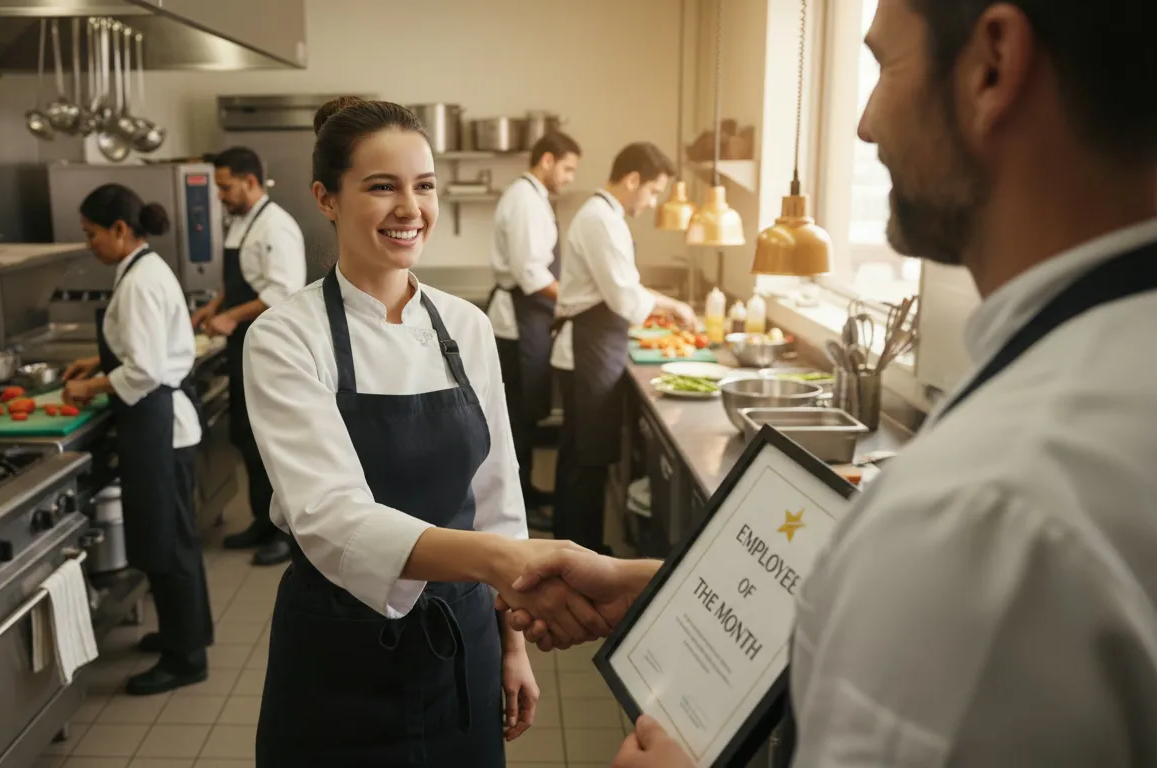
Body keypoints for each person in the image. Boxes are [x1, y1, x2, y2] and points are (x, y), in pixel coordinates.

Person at [504, 0, 1157, 764]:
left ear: (993, 65)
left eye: (883, 64)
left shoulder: (982, 510)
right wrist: (659, 584)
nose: (865, 124)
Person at [242, 96, 612, 765]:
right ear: (326, 198)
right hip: (337, 649)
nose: (410, 208)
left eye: (424, 186)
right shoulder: (285, 337)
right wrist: (499, 563)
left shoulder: (466, 326)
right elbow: (329, 515)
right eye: (382, 187)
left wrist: (513, 644)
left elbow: (498, 495)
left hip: (463, 638)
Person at [62, 184, 214, 696]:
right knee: (173, 538)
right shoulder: (141, 270)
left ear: (120, 230)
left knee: (168, 543)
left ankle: (186, 658)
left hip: (159, 424)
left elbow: (145, 369)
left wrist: (89, 387)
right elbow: (144, 349)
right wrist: (98, 362)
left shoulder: (140, 282)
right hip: (157, 420)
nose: (90, 244)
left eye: (92, 234)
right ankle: (185, 635)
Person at [549, 142, 696, 555]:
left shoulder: (604, 216)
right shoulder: (600, 219)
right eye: (653, 192)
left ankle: (574, 549)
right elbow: (625, 297)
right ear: (632, 180)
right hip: (587, 350)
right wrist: (674, 306)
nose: (652, 203)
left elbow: (624, 289)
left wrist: (666, 305)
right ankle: (581, 555)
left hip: (594, 347)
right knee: (586, 461)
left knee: (583, 457)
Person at [193, 146, 307, 567]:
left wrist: (230, 317)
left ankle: (289, 536)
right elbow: (244, 279)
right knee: (247, 435)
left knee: (272, 441)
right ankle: (263, 520)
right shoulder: (242, 222)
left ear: (251, 181)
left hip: (271, 345)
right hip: (245, 343)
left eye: (225, 187)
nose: (220, 195)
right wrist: (214, 307)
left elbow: (282, 291)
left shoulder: (277, 226)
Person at [487, 131, 582, 532]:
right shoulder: (525, 200)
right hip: (516, 323)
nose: (570, 178)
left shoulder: (534, 197)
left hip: (531, 318)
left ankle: (526, 491)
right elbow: (529, 272)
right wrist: (574, 298)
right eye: (567, 169)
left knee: (526, 415)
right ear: (547, 160)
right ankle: (518, 505)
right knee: (517, 419)